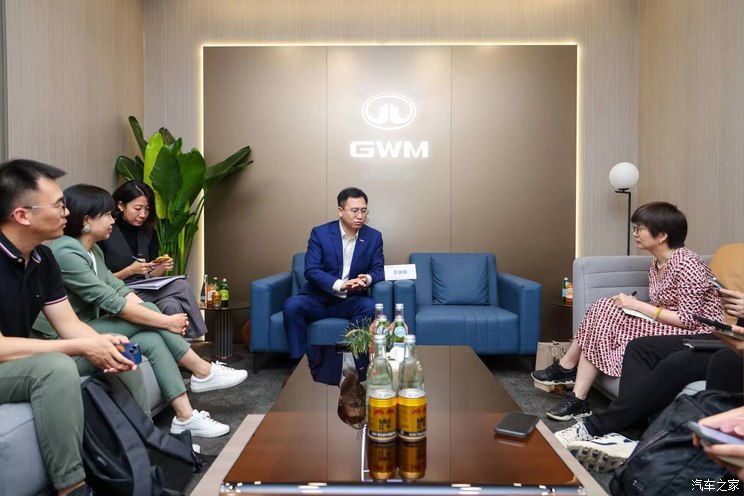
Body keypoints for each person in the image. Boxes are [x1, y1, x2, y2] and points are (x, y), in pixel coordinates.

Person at [33, 184, 248, 439]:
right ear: (87, 220)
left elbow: (118, 289)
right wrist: (165, 321)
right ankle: (201, 370)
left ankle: (185, 417)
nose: (113, 220)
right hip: (63, 336)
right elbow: (108, 300)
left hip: (89, 325)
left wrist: (155, 317)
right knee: (153, 319)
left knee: (151, 338)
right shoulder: (65, 251)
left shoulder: (93, 250)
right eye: (107, 215)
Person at [0, 159, 147, 496]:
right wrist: (81, 346)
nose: (67, 213)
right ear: (22, 215)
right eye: (58, 205)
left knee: (119, 350)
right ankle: (73, 486)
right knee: (56, 367)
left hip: (16, 359)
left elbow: (68, 324)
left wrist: (101, 342)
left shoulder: (43, 258)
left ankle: (141, 447)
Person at [533, 201, 724, 421]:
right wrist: (634, 305)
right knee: (604, 306)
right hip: (668, 324)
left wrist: (637, 306)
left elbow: (688, 320)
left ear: (662, 235)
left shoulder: (688, 263)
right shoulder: (656, 264)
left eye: (640, 229)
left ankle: (569, 375)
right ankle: (575, 391)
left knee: (605, 312)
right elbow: (664, 305)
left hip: (698, 332)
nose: (635, 233)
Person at [282, 187, 385, 364]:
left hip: (350, 300)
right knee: (292, 306)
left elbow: (378, 269)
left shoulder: (373, 237)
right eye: (354, 211)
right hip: (317, 299)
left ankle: (349, 361)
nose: (360, 216)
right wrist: (340, 284)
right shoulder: (320, 233)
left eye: (363, 211)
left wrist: (366, 279)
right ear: (340, 211)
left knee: (369, 306)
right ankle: (299, 364)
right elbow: (311, 269)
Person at [98, 180, 207, 340]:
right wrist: (130, 271)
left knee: (171, 305)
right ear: (120, 205)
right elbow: (99, 281)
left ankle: (179, 353)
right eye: (137, 208)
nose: (143, 214)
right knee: (181, 285)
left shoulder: (148, 232)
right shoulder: (106, 232)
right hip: (118, 293)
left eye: (147, 209)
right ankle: (194, 339)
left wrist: (160, 268)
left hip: (143, 290)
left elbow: (151, 276)